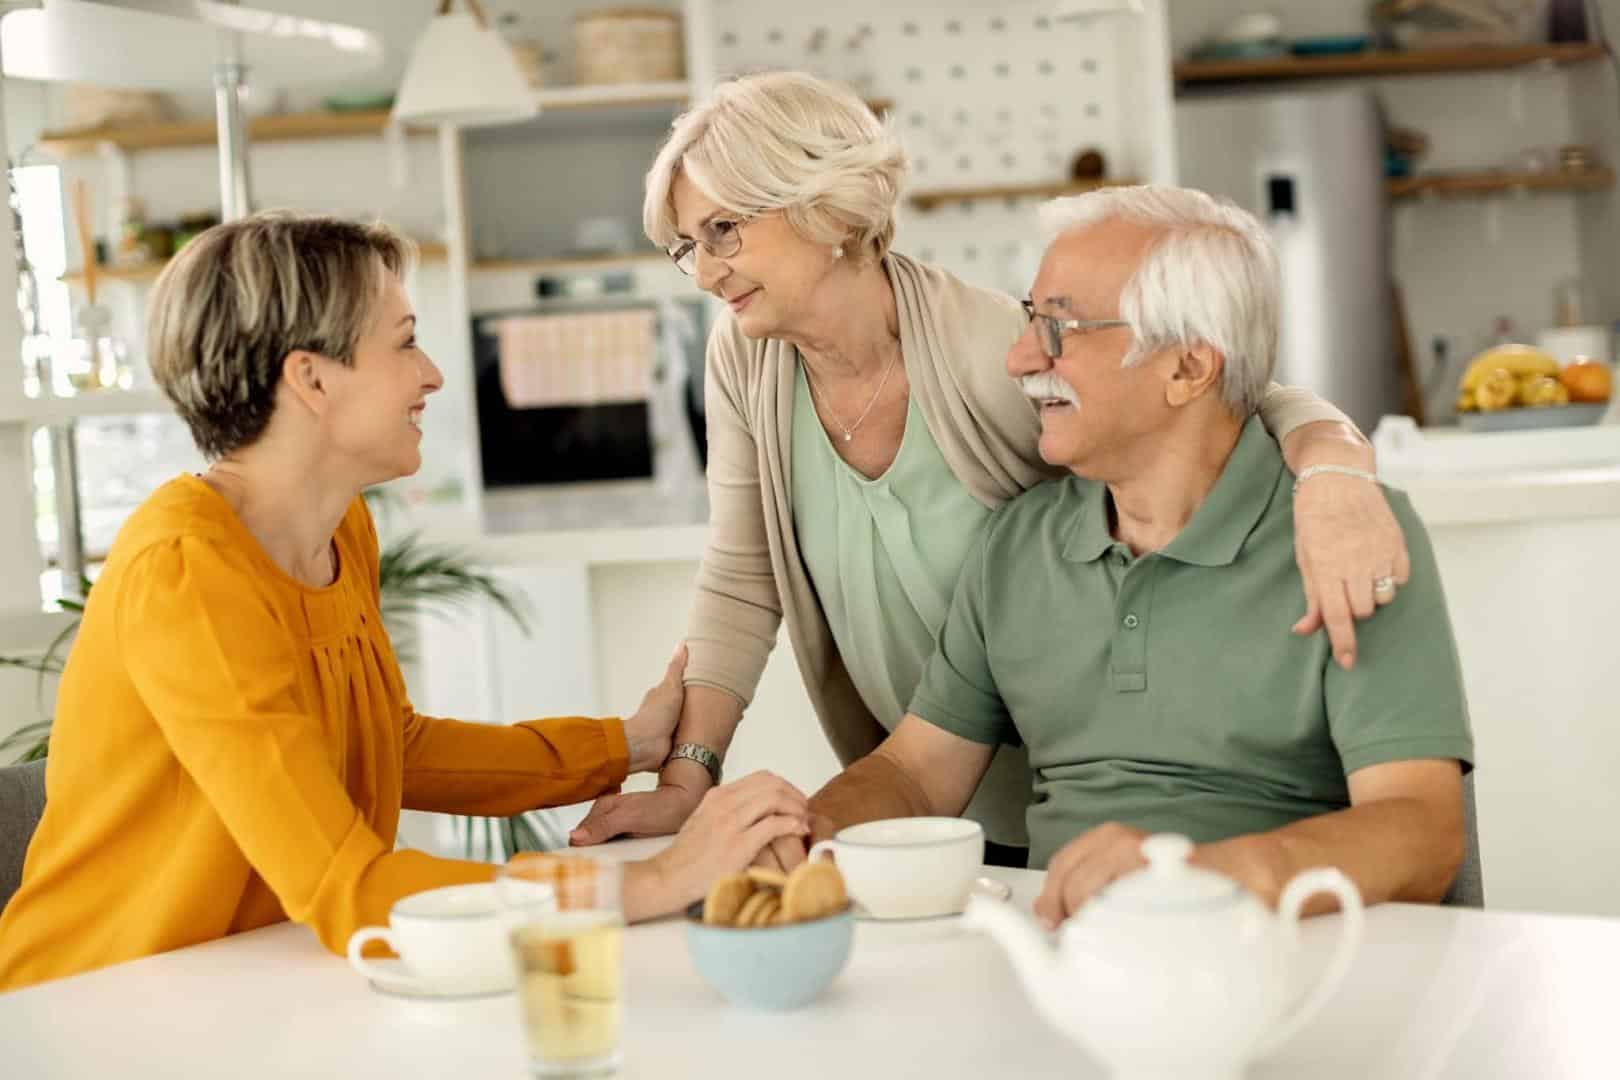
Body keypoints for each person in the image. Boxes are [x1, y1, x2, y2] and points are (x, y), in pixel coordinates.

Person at [570, 71, 1414, 868]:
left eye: (725, 229)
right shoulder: (746, 358)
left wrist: (1337, 471)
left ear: (824, 207)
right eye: (688, 245)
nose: (707, 270)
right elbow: (742, 574)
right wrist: (687, 780)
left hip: (1067, 799)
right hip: (908, 789)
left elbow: (1225, 390)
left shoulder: (986, 349)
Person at [0, 213, 809, 991]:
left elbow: (395, 746)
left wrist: (623, 746)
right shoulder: (187, 573)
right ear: (311, 379)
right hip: (97, 1005)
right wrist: (657, 881)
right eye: (406, 342)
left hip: (244, 982)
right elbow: (346, 886)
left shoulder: (340, 527)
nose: (432, 374)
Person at [787, 185, 1473, 923]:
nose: (1020, 359)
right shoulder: (1019, 542)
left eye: (1059, 328)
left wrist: (1196, 879)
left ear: (1187, 368)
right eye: (1028, 320)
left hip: (1281, 963)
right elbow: (916, 775)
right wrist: (801, 834)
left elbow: (1421, 832)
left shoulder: (1345, 537)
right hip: (1061, 962)